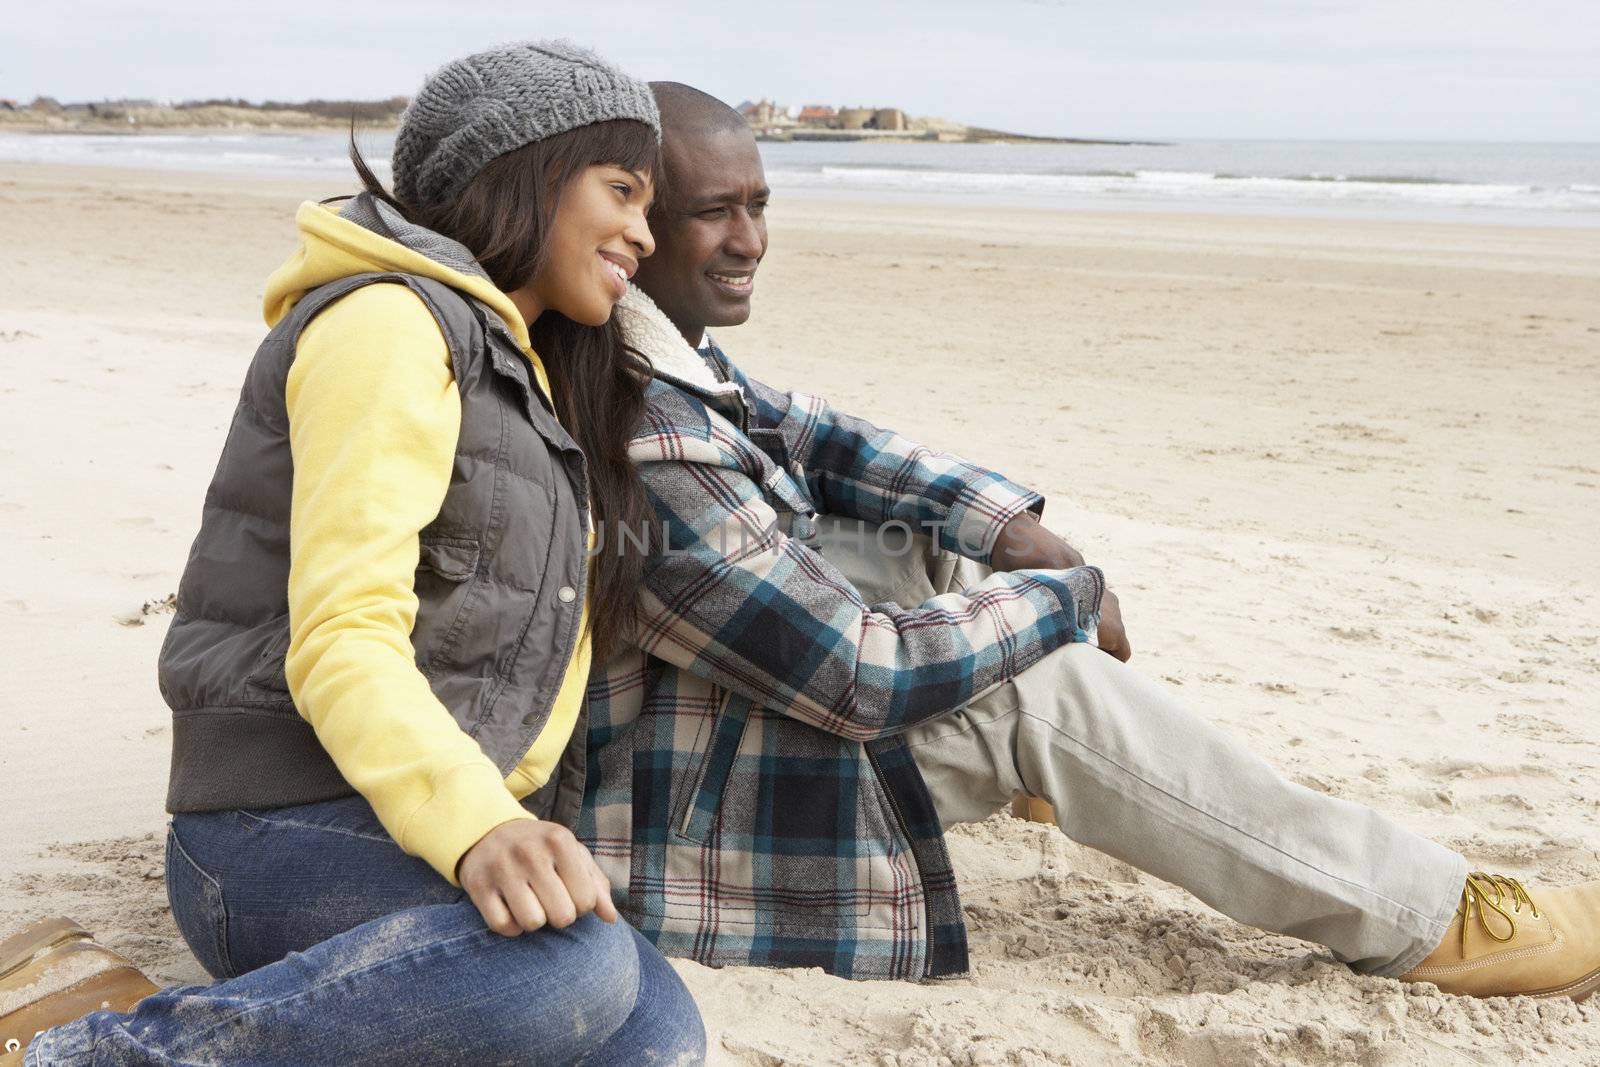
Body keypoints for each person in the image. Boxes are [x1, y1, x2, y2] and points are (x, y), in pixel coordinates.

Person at [573, 82, 1600, 1002]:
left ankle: (1073, 761)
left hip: (696, 717)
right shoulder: (647, 433)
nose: (750, 239)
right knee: (1043, 692)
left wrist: (1007, 528)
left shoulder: (651, 352)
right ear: (630, 225)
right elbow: (856, 673)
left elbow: (809, 430)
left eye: (759, 205)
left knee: (928, 545)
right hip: (668, 817)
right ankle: (1438, 921)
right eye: (715, 211)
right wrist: (1061, 601)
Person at [0, 43, 707, 1066]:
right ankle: (86, 1054)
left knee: (659, 1028)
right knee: (575, 973)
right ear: (527, 170)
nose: (645, 230)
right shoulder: (387, 323)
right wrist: (480, 830)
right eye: (623, 190)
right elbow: (343, 634)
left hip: (404, 829)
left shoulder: (535, 377)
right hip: (269, 827)